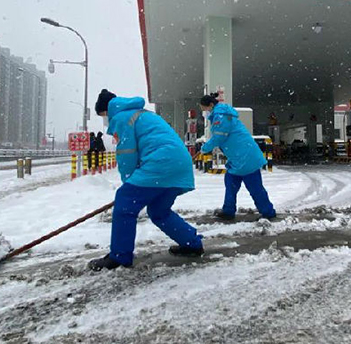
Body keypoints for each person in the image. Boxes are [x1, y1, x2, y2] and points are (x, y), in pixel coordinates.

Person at [88, 89, 204, 271]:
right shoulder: (141, 114)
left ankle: (119, 256)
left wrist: (129, 183)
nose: (105, 120)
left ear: (107, 110)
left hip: (161, 162)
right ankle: (192, 243)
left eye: (103, 116)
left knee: (125, 204)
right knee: (159, 211)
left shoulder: (121, 118)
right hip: (178, 163)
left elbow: (127, 154)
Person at [199, 93, 276, 221]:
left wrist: (204, 148)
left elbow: (219, 137)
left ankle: (267, 212)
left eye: (205, 109)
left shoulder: (221, 116)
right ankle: (229, 210)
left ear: (211, 105)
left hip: (245, 157)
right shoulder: (222, 114)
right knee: (231, 182)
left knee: (254, 187)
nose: (205, 112)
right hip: (239, 157)